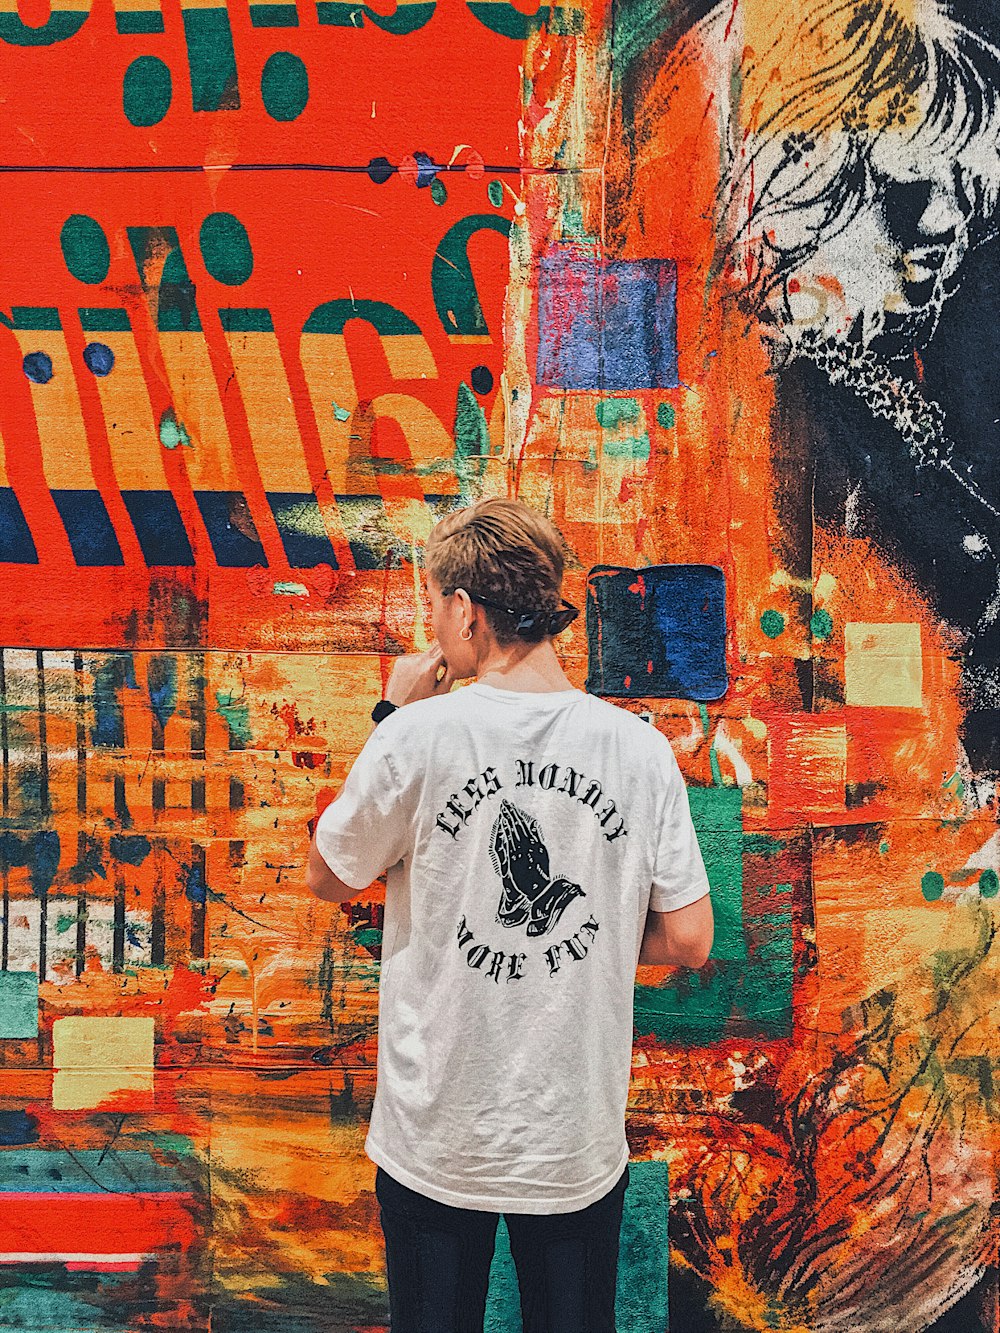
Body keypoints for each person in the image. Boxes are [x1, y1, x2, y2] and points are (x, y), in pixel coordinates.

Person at [306, 497, 714, 1332]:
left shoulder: (417, 735)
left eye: (434, 603)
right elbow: (689, 937)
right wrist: (591, 926)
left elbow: (328, 874)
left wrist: (393, 710)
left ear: (465, 608)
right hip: (571, 1139)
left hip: (435, 1139)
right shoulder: (638, 749)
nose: (433, 622)